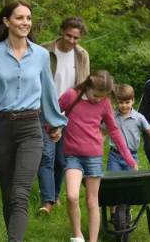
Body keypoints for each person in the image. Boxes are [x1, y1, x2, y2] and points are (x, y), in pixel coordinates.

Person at [0, 0, 66, 241]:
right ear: (7, 21)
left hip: (32, 129)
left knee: (20, 193)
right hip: (2, 130)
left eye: (28, 18)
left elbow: (48, 91)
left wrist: (55, 122)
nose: (25, 23)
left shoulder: (41, 55)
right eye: (20, 18)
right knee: (9, 195)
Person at [60, 71, 138, 242]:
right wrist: (51, 130)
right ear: (88, 86)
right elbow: (53, 112)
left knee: (92, 201)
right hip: (72, 154)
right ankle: (78, 235)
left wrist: (129, 159)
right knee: (72, 196)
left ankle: (93, 240)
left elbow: (114, 131)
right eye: (95, 95)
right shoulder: (70, 96)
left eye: (102, 96)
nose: (98, 99)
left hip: (93, 156)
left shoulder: (104, 103)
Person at [37, 17, 90, 214]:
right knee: (46, 156)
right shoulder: (44, 51)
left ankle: (56, 194)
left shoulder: (82, 55)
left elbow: (84, 86)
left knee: (61, 160)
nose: (72, 40)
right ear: (61, 31)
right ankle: (47, 201)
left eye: (76, 37)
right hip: (45, 110)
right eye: (69, 35)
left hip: (70, 113)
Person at [108, 84, 150, 171]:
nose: (124, 105)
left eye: (127, 102)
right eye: (121, 102)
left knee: (131, 182)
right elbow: (101, 132)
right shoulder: (112, 117)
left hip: (131, 155)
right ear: (117, 101)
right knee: (113, 181)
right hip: (115, 156)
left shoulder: (139, 117)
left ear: (133, 101)